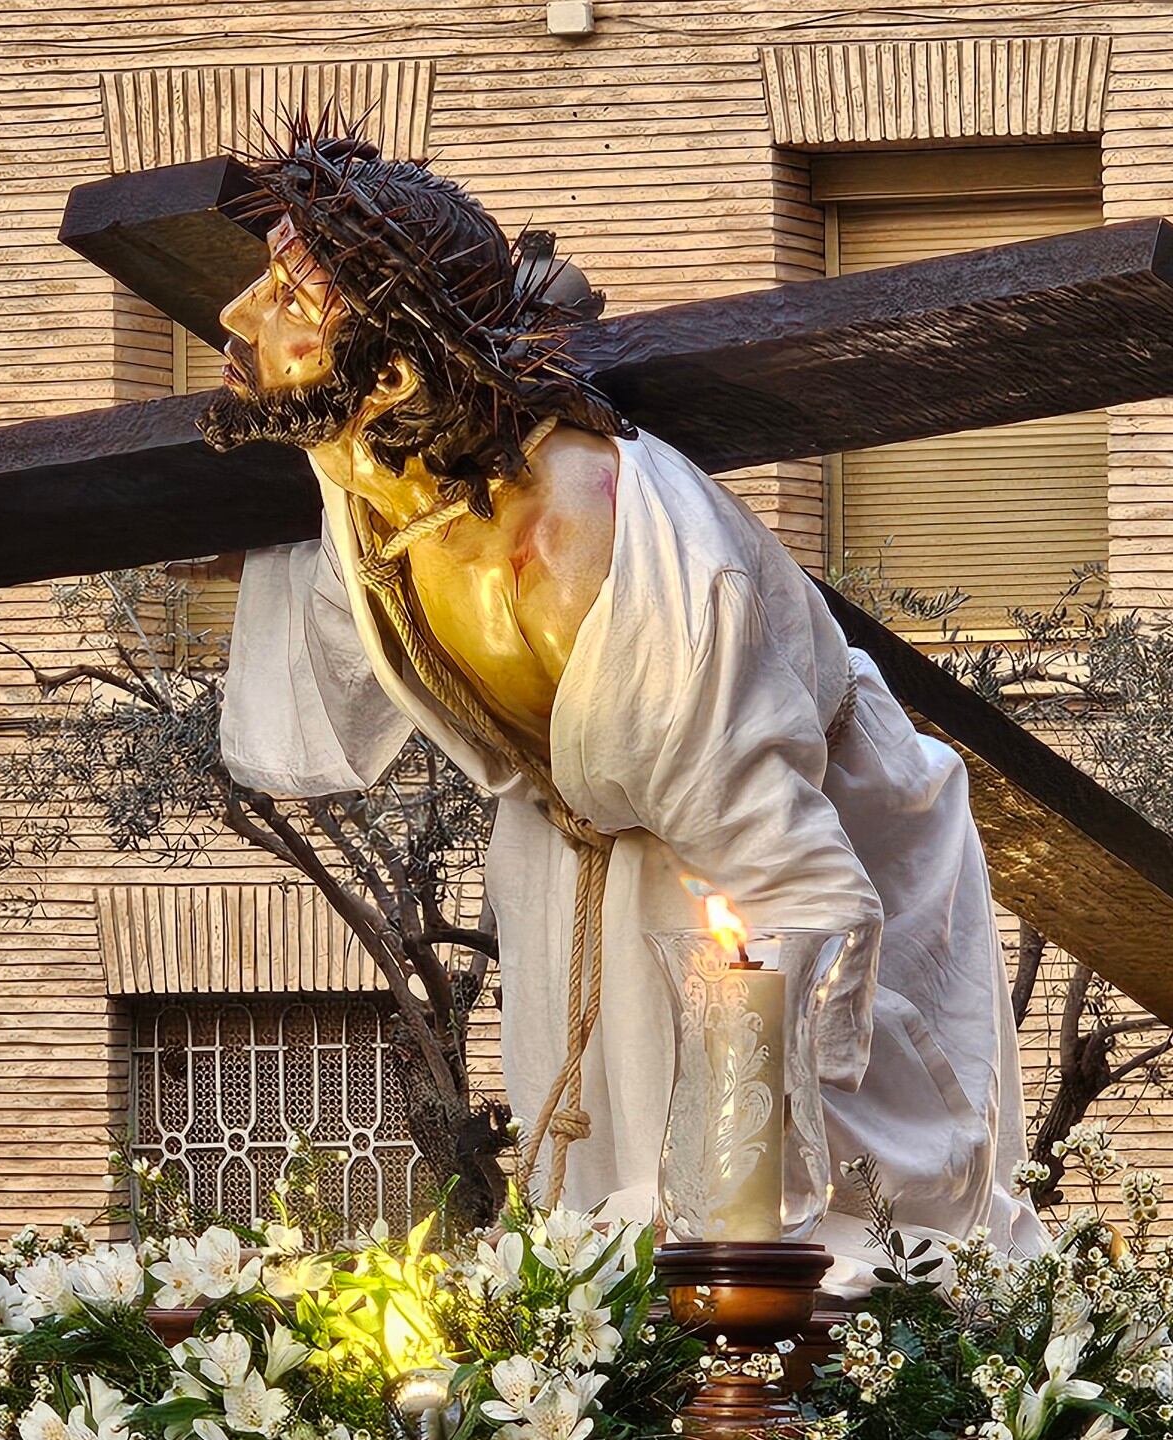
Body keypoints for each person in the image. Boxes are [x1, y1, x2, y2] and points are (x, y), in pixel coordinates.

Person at [198, 129, 1044, 1285]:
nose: (238, 316)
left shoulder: (621, 575)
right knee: (593, 1222)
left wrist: (747, 1180)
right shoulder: (378, 475)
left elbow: (798, 893)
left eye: (287, 292)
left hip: (777, 830)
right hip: (577, 852)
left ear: (391, 376)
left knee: (775, 1225)